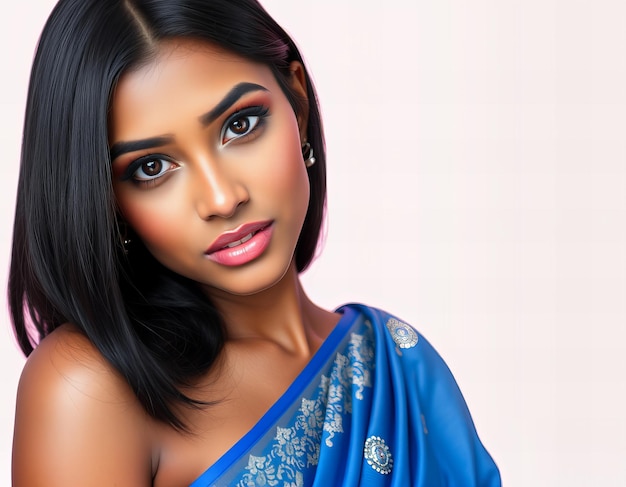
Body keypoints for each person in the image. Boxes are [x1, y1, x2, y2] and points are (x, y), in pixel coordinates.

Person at [9, 0, 501, 485]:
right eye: (152, 168)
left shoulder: (402, 365)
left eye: (239, 125)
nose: (222, 199)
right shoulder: (90, 389)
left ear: (298, 103)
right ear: (107, 200)